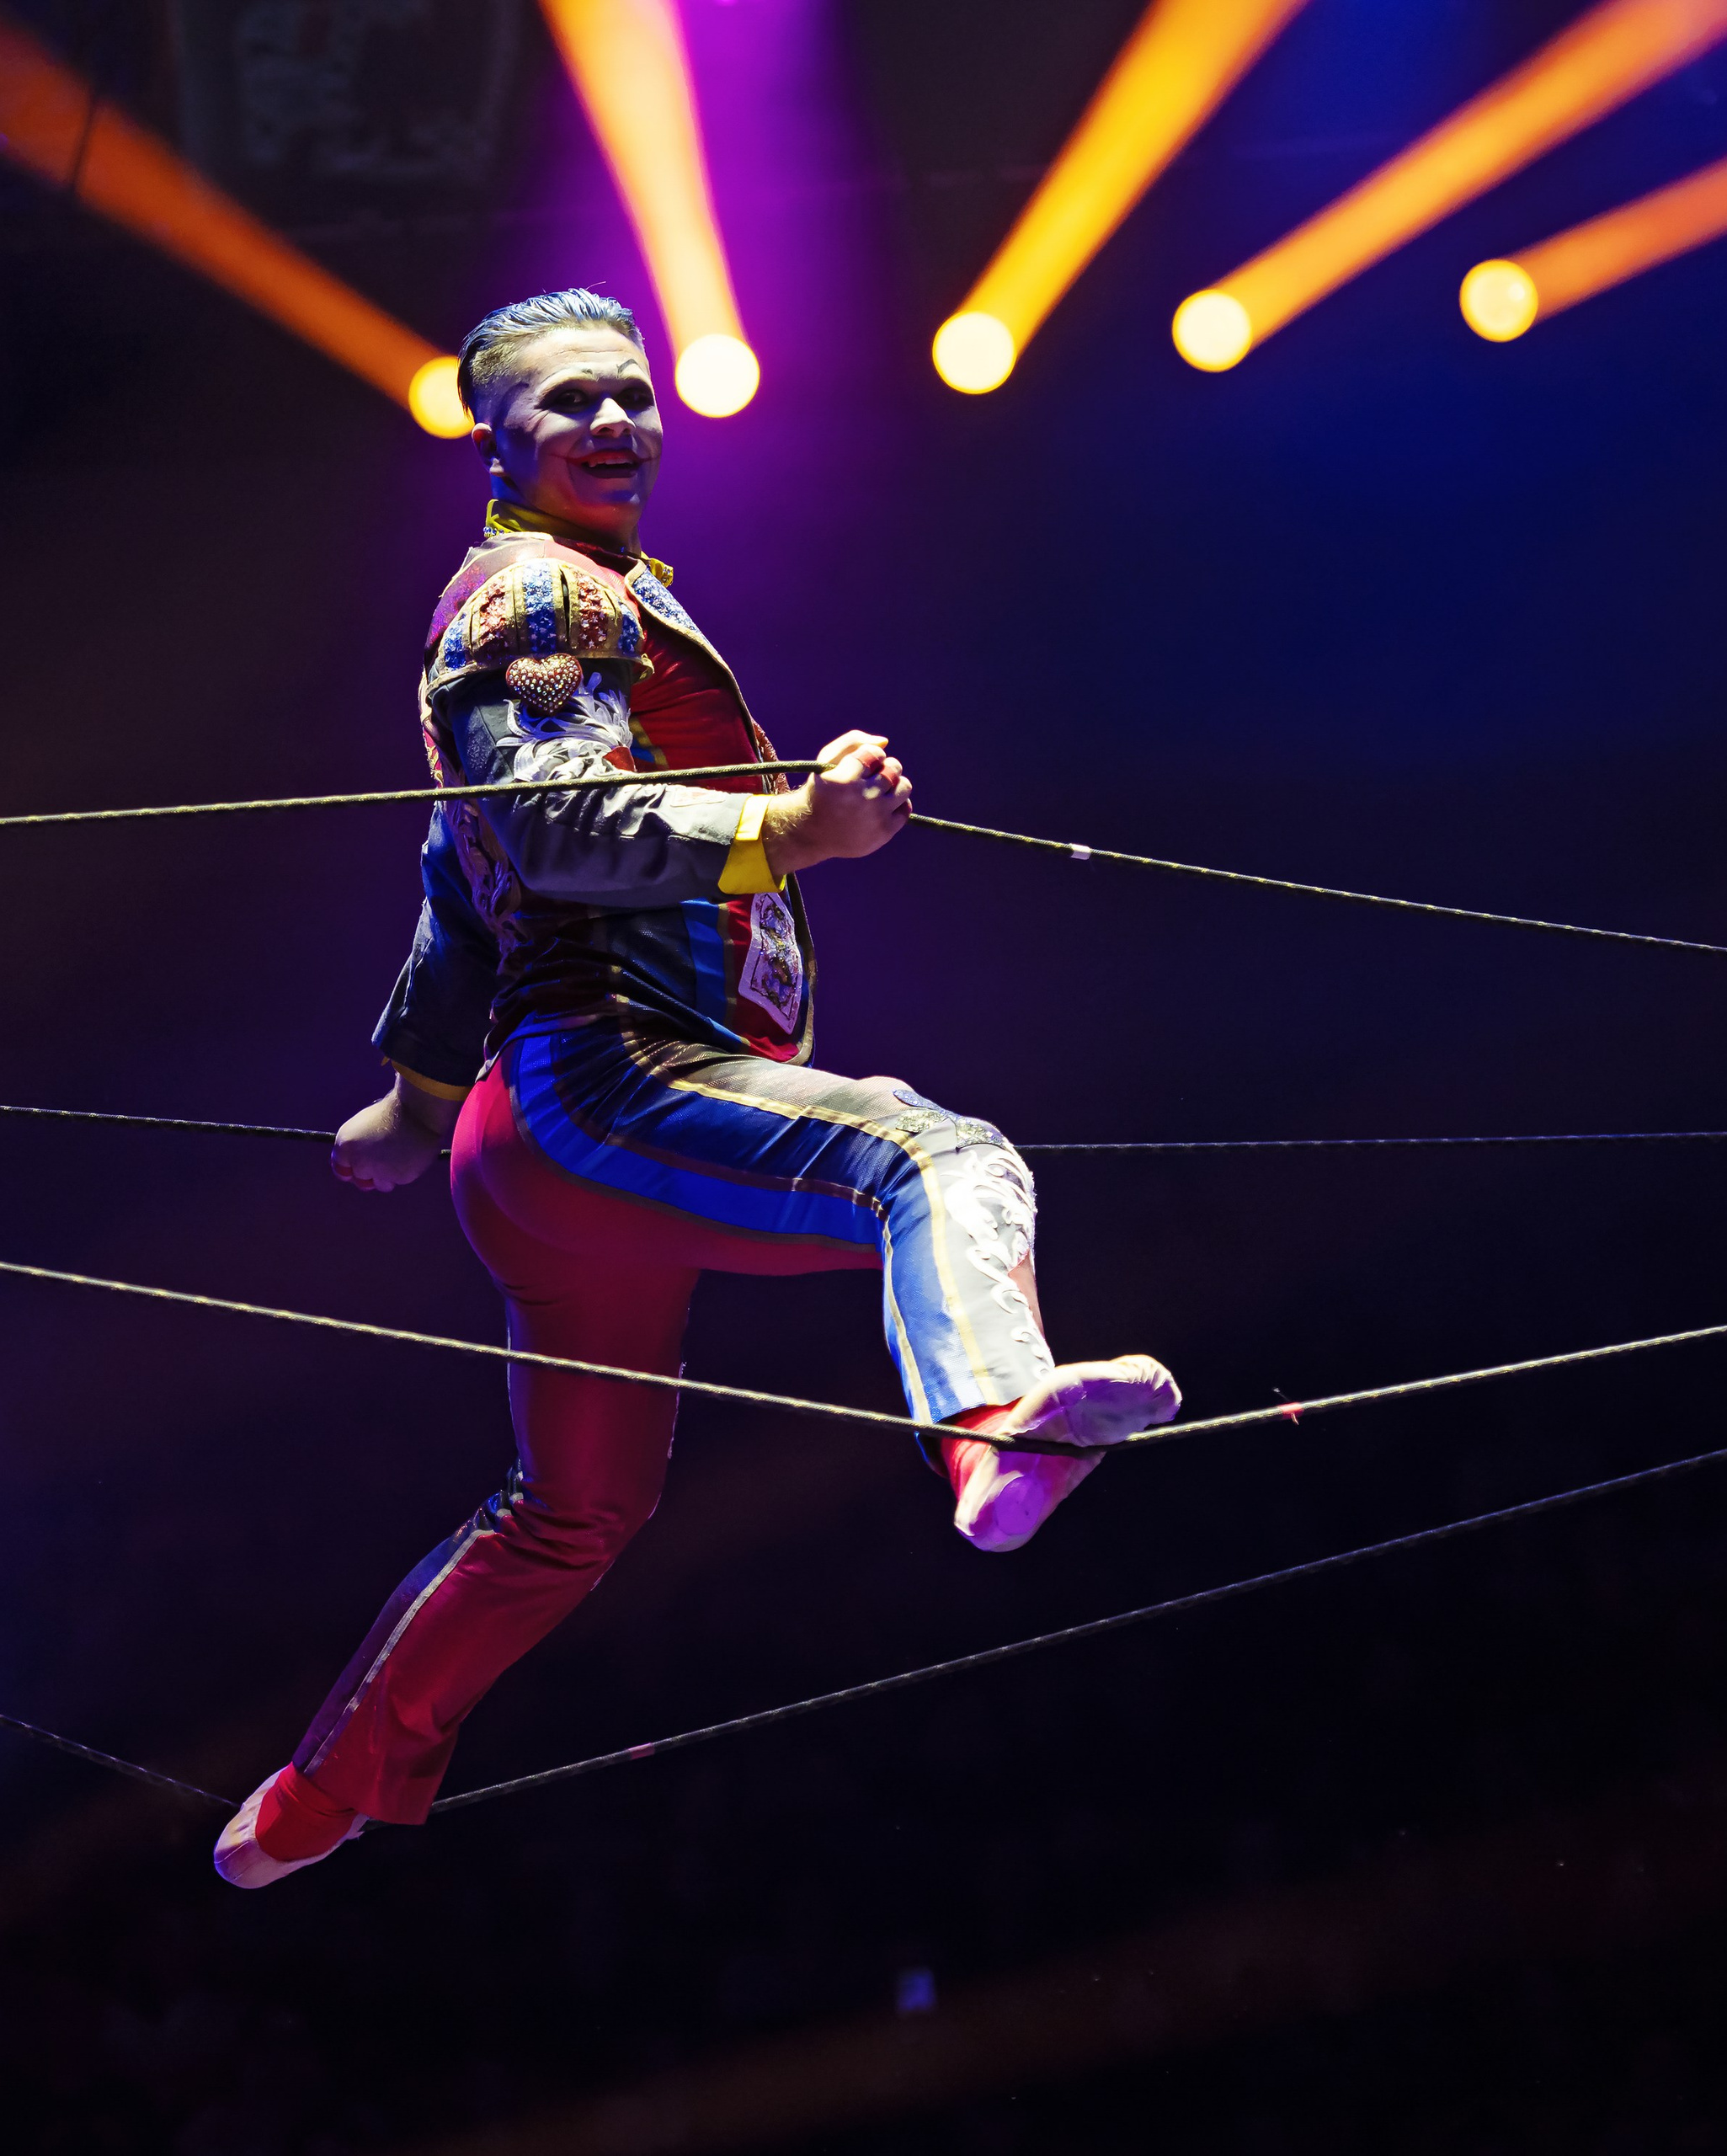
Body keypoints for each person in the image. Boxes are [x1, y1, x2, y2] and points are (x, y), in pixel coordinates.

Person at [216, 289, 1179, 1888]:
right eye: (572, 404)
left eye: (632, 399)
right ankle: (995, 1425)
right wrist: (791, 834)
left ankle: (311, 1805)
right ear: (497, 438)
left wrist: (406, 1094)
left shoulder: (601, 598)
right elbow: (541, 832)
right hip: (611, 1091)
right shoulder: (541, 597)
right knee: (934, 1160)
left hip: (568, 1154)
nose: (614, 425)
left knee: (575, 1516)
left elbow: (462, 880)